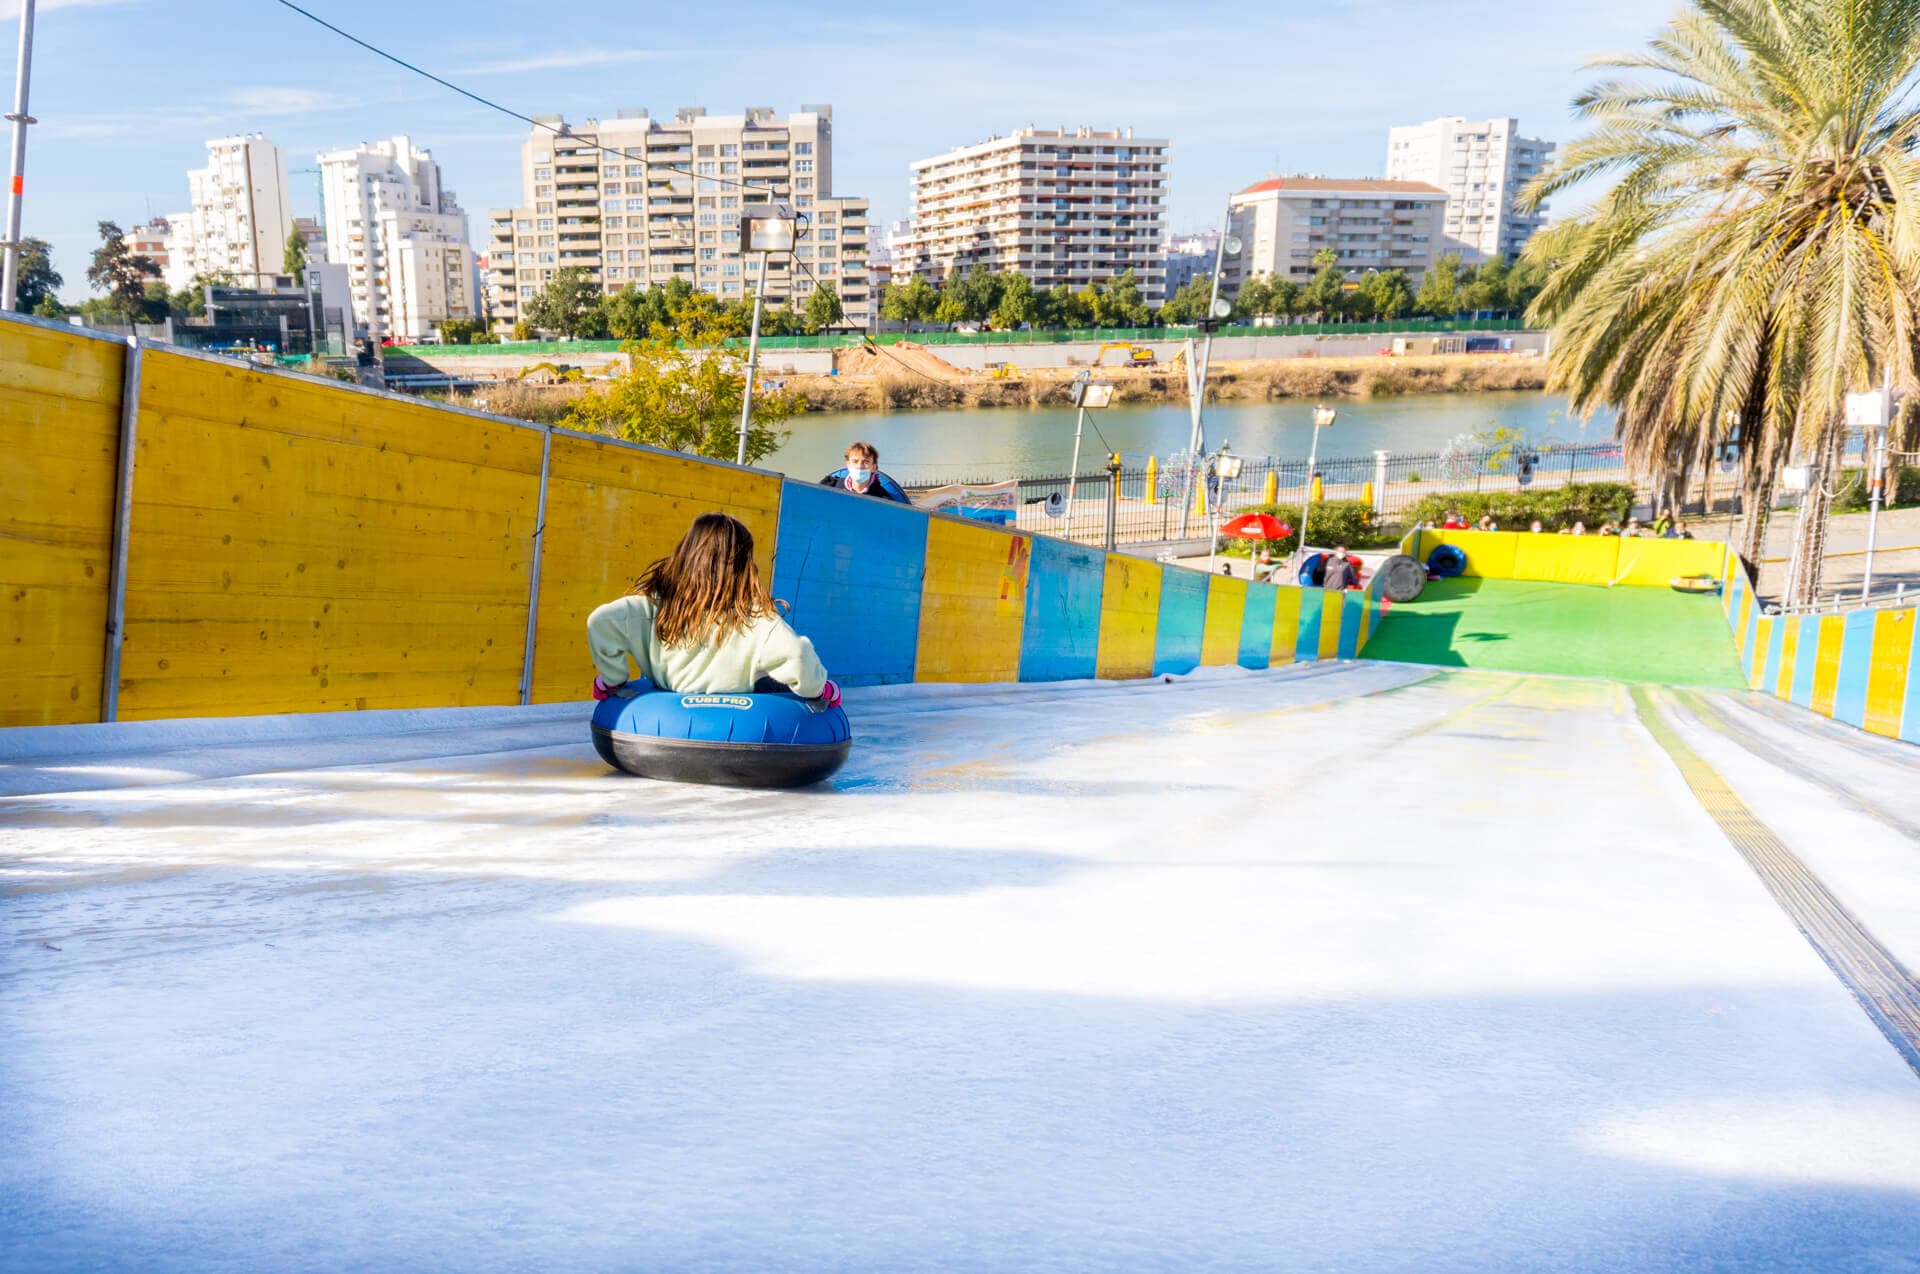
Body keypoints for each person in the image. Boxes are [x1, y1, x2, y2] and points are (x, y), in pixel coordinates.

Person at [586, 512, 840, 707]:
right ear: (743, 566)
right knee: (771, 679)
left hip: (660, 714)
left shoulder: (650, 606)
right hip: (742, 720)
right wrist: (821, 690)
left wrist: (613, 679)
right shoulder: (754, 619)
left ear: (686, 554)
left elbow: (600, 621)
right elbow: (796, 654)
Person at [821, 441, 910, 503]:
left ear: (874, 467)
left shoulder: (884, 500)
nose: (859, 466)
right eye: (855, 461)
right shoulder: (830, 487)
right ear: (847, 464)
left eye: (866, 462)